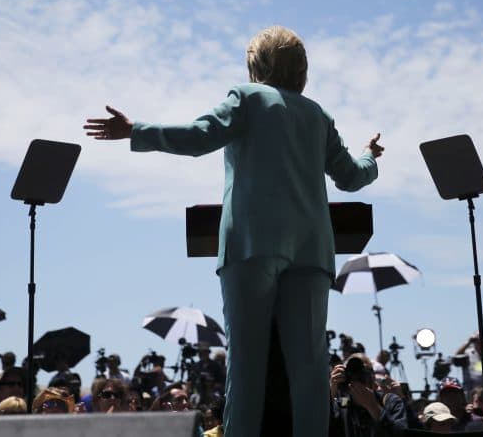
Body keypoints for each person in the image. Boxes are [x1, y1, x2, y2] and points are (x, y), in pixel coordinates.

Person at [85, 26, 382, 436]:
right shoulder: (319, 115)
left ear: (255, 64)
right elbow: (351, 177)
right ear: (301, 68)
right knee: (311, 371)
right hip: (313, 250)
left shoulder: (246, 97)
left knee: (245, 368)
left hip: (250, 244)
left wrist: (136, 130)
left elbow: (198, 137)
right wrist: (371, 156)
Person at [329, 354, 408, 436]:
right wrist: (331, 393)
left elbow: (401, 433)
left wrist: (374, 408)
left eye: (362, 370)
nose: (357, 376)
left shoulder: (390, 402)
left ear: (373, 377)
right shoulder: (341, 405)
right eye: (352, 371)